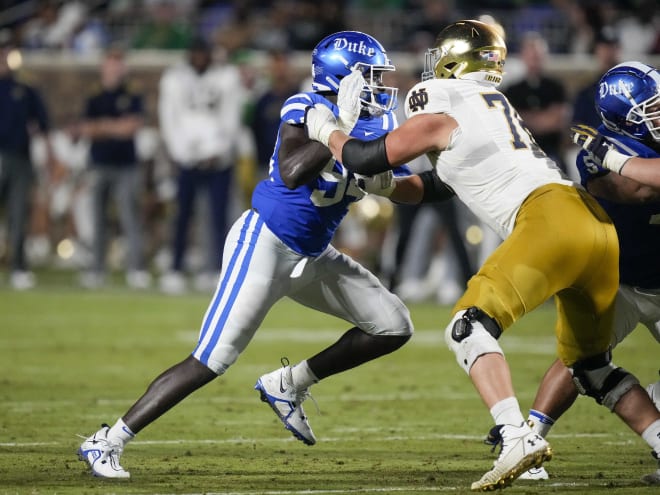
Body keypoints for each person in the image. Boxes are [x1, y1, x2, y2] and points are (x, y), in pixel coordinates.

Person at [304, 20, 660, 491]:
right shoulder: (492, 106)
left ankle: (516, 436)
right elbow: (437, 185)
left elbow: (365, 157)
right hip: (593, 228)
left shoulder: (441, 99)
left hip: (549, 221)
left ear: (454, 61)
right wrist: (388, 186)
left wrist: (327, 128)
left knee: (468, 325)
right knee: (591, 368)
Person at [77, 30, 416, 479]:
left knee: (393, 325)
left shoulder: (377, 123)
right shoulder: (307, 107)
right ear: (343, 76)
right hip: (265, 243)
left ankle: (289, 384)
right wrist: (343, 129)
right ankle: (107, 441)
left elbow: (411, 188)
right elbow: (294, 172)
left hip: (313, 256)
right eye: (369, 75)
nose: (377, 84)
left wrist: (452, 171)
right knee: (210, 360)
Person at [493, 61, 660, 484]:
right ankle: (528, 439)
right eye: (652, 108)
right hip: (618, 281)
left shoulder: (611, 153)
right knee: (577, 360)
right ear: (626, 117)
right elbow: (635, 190)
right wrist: (616, 159)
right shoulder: (594, 155)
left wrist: (618, 157)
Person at [158, 36, 245, 294]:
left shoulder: (227, 77)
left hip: (219, 159)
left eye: (203, 53)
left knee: (220, 217)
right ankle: (176, 268)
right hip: (187, 159)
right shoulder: (174, 79)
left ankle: (218, 269)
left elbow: (232, 117)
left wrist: (219, 150)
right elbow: (169, 119)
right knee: (182, 216)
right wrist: (182, 153)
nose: (199, 58)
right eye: (195, 53)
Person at [75, 47, 150, 290]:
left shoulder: (133, 93)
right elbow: (86, 128)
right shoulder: (94, 95)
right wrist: (114, 127)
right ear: (104, 67)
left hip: (126, 164)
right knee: (98, 219)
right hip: (99, 163)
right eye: (111, 64)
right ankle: (97, 269)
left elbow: (132, 127)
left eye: (119, 65)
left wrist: (103, 127)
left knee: (130, 217)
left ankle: (136, 268)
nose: (116, 70)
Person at [0, 30, 58, 290]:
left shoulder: (24, 87)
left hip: (18, 157)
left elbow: (42, 124)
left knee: (18, 213)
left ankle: (19, 267)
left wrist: (48, 156)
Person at [504, 31, 570, 172]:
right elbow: (511, 124)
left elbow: (559, 121)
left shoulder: (556, 88)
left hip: (551, 152)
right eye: (530, 53)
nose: (534, 58)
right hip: (521, 153)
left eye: (537, 54)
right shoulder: (512, 90)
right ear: (523, 56)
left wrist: (527, 119)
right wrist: (544, 118)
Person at [571, 26, 621, 129]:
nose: (608, 52)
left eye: (611, 47)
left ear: (618, 50)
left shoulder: (631, 85)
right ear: (597, 50)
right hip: (595, 142)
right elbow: (576, 125)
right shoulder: (587, 92)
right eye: (604, 47)